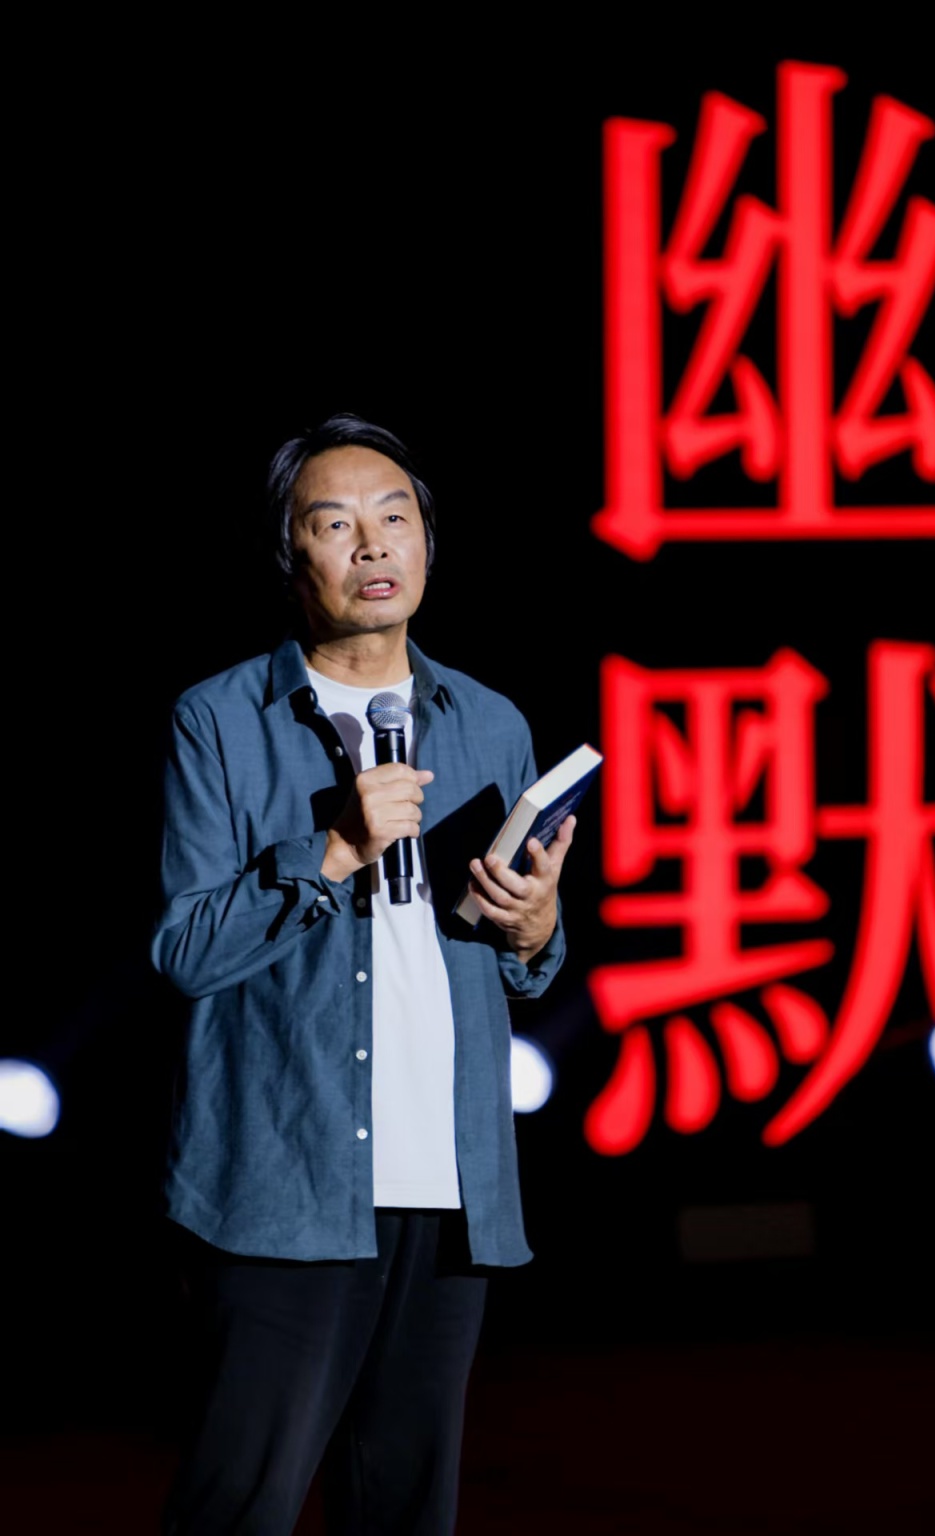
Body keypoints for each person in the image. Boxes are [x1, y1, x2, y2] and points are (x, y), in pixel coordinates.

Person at [153, 413, 574, 1535]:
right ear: (288, 554)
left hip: (451, 1181)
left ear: (428, 543)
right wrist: (333, 850)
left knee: (406, 1506)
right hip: (283, 1183)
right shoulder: (219, 719)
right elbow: (186, 952)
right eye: (334, 524)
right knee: (239, 1502)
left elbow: (525, 970)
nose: (373, 545)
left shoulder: (490, 721)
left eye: (395, 519)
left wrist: (533, 928)